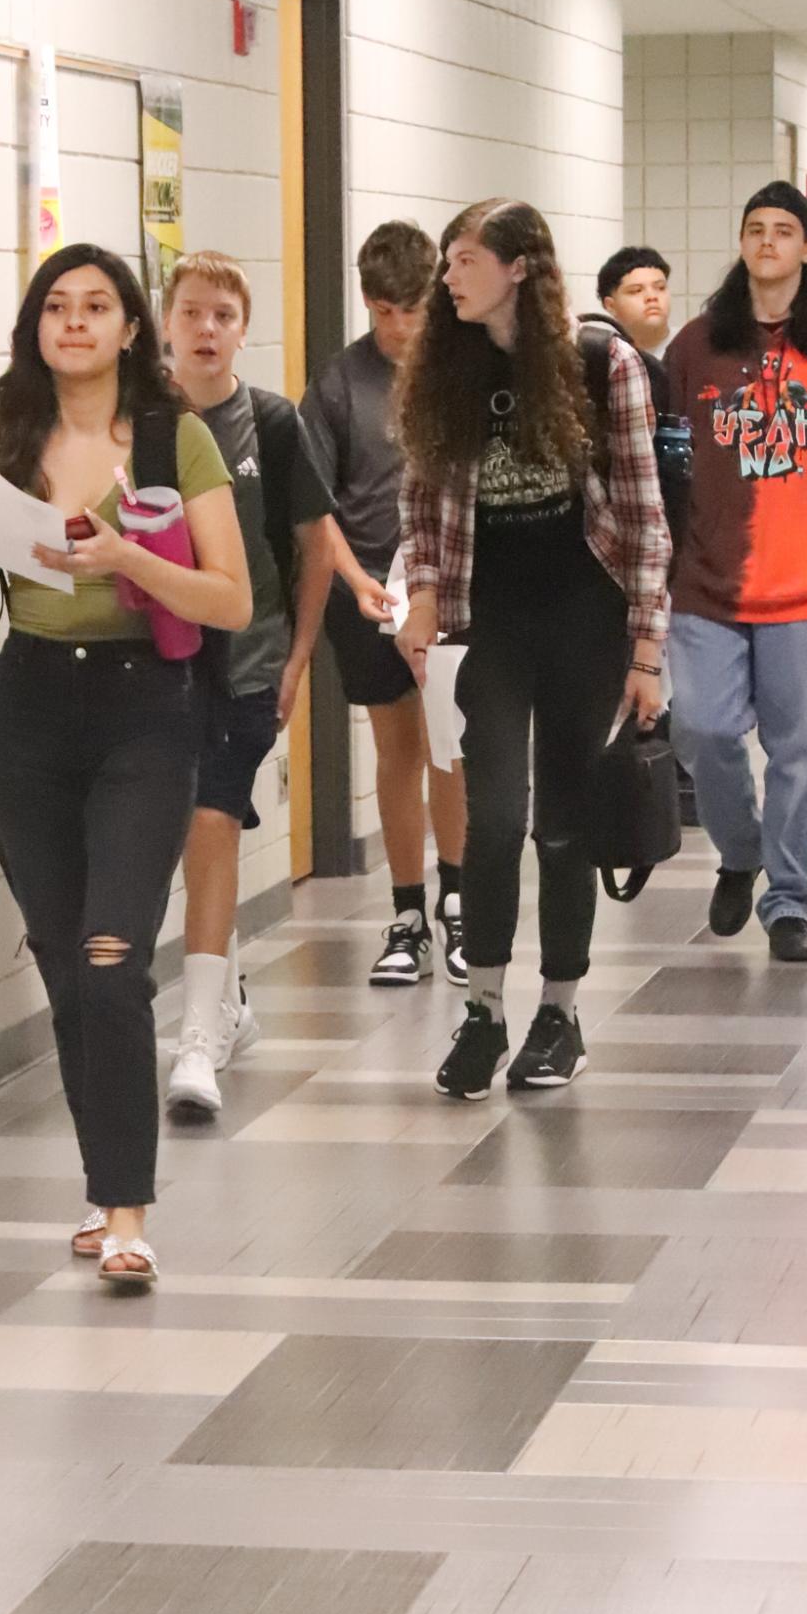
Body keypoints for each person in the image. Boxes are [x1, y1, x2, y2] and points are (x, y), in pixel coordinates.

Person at [0, 244, 250, 1286]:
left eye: (96, 306)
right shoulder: (1, 438)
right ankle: (102, 1181)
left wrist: (127, 558)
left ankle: (126, 1216)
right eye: (56, 307)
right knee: (65, 965)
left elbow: (231, 599)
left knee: (113, 957)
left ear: (128, 328)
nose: (74, 322)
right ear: (35, 330)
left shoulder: (172, 439)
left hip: (143, 712)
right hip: (26, 714)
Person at [396, 199, 670, 1100]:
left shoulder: (601, 364)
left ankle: (560, 1010)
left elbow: (642, 513)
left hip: (586, 617)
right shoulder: (449, 364)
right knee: (496, 818)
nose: (449, 275)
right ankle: (483, 1010)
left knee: (562, 822)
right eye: (449, 259)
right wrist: (426, 593)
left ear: (519, 267)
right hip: (497, 623)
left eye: (466, 258)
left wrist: (645, 654)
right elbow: (421, 494)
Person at [665, 182, 807, 965]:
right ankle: (741, 850)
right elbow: (666, 464)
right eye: (755, 229)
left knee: (796, 750)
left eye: (784, 229)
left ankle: (790, 901)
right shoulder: (696, 345)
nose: (768, 241)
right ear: (740, 245)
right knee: (701, 727)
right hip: (706, 583)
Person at [161, 252, 336, 1119]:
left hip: (245, 664)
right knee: (179, 832)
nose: (206, 329)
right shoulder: (137, 423)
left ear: (243, 327)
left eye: (223, 315)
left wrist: (298, 657)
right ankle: (224, 998)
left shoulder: (269, 423)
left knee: (210, 819)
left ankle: (196, 1039)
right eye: (191, 312)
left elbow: (315, 547)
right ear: (164, 323)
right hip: (151, 665)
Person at [300, 221, 468, 989]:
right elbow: (315, 506)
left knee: (450, 748)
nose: (398, 326)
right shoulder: (337, 385)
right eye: (382, 311)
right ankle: (408, 914)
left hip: (454, 592)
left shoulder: (461, 367)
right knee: (397, 749)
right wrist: (356, 580)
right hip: (369, 594)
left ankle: (460, 901)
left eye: (412, 309)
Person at [582, 245, 698, 828]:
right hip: (620, 561)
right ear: (607, 304)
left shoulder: (668, 369)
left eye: (660, 285)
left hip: (664, 554)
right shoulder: (606, 367)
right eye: (636, 289)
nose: (652, 296)